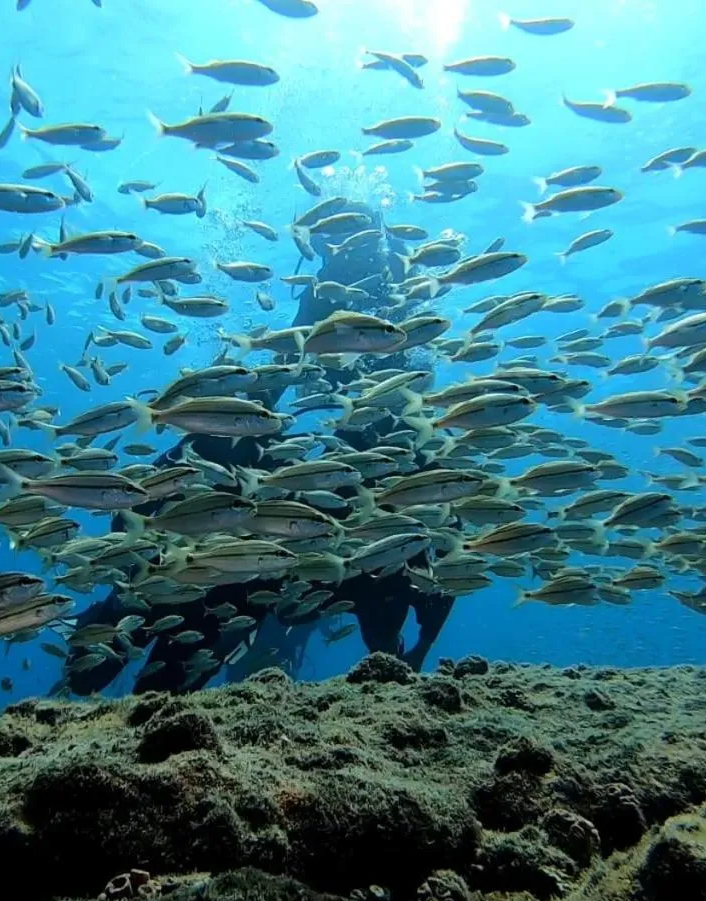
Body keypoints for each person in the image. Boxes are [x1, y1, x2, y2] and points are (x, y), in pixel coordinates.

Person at [64, 200, 457, 695]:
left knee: (164, 691)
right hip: (229, 554)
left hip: (278, 566)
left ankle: (142, 625)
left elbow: (420, 532)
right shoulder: (275, 384)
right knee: (121, 673)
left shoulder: (391, 419)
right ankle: (126, 619)